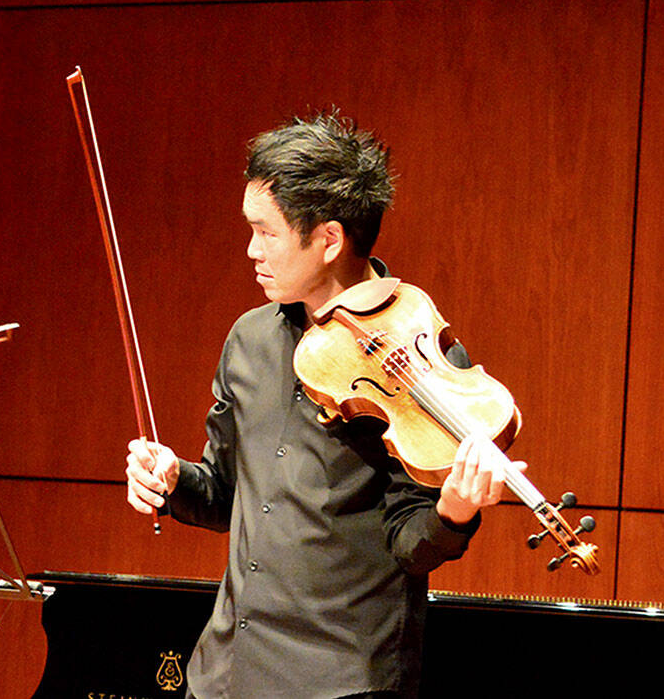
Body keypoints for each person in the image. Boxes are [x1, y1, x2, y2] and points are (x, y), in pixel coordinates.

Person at [125, 113, 517, 698]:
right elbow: (230, 496)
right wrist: (173, 477)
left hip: (339, 681)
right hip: (226, 673)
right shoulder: (250, 340)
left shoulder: (427, 360)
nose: (251, 249)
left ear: (329, 239)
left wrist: (454, 509)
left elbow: (410, 545)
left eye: (267, 232)